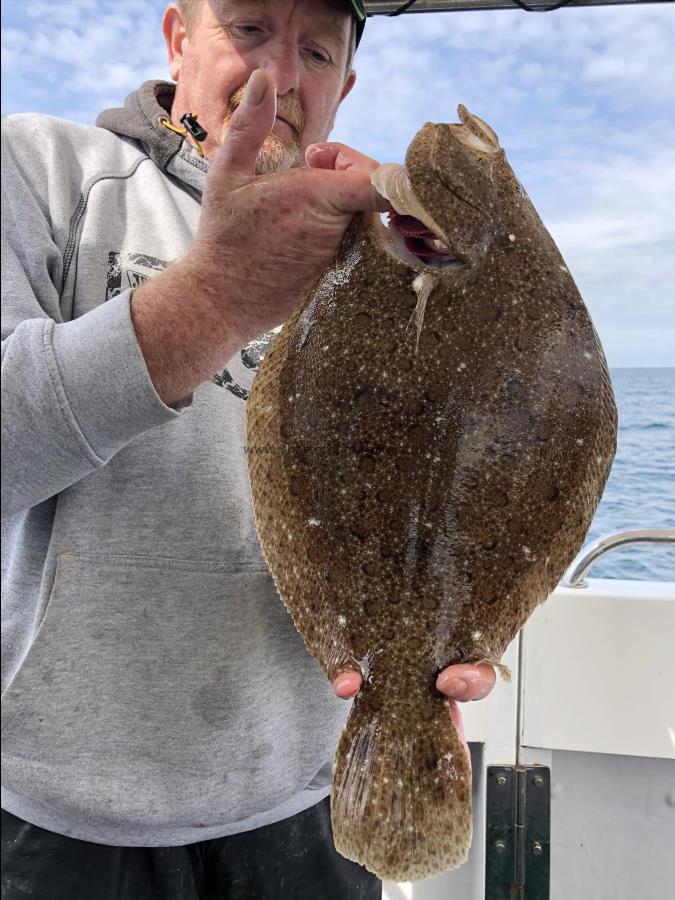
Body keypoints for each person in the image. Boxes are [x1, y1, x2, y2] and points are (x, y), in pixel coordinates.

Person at [0, 1, 496, 896]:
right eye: (251, 30)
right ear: (178, 36)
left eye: (315, 50)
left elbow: (445, 474)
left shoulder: (388, 253)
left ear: (344, 85)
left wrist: (445, 631)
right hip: (54, 813)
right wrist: (215, 298)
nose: (281, 77)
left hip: (308, 793)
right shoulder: (42, 167)